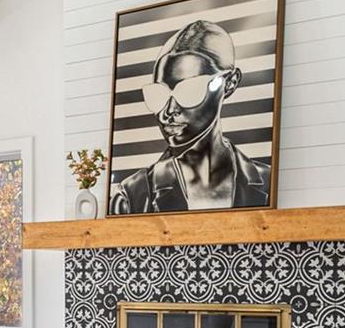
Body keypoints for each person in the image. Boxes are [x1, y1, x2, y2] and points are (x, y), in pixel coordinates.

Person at [110, 19, 271, 214]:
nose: (168, 111)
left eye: (188, 91)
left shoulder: (268, 183)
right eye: (158, 95)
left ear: (229, 83)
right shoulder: (132, 196)